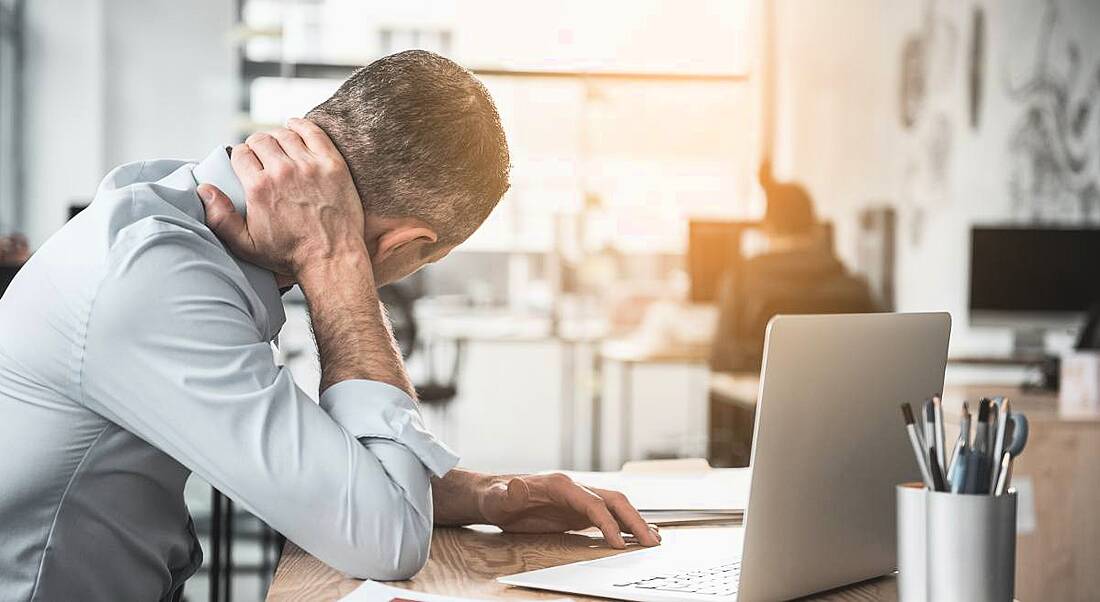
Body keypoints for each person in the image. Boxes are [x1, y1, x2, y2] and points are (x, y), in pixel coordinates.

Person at [0, 50, 658, 601]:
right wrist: (337, 264)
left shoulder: (171, 213)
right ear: (403, 245)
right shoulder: (156, 278)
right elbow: (386, 540)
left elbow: (320, 465)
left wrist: (489, 495)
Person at [710, 159, 873, 374]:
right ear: (814, 227)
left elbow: (720, 360)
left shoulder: (740, 284)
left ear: (767, 228)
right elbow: (870, 357)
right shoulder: (855, 289)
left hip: (761, 405)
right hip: (838, 404)